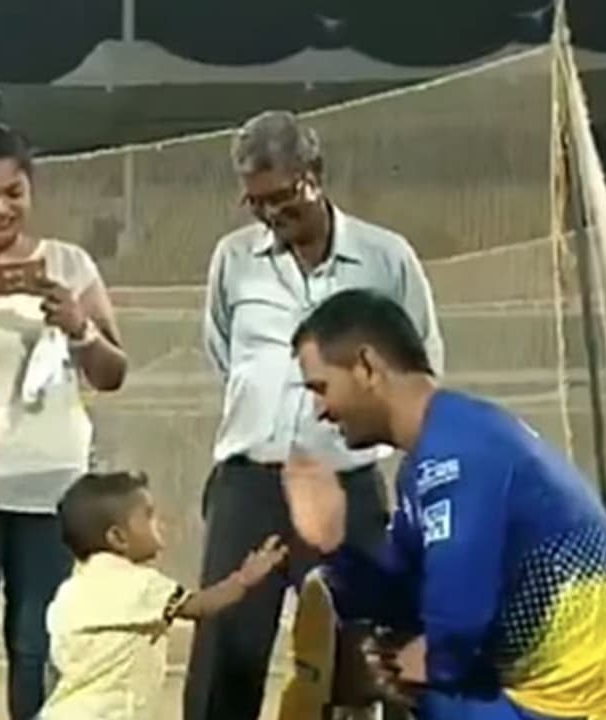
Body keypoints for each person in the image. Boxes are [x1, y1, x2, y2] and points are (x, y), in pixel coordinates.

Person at [282, 288, 606, 720]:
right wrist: (332, 544)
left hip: (594, 709)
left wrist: (399, 667)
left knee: (412, 686)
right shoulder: (435, 455)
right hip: (557, 699)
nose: (319, 410)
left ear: (367, 367)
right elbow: (402, 599)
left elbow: (455, 625)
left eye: (321, 387)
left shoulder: (457, 454)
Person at [187, 109, 445, 720]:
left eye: (283, 198)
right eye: (256, 202)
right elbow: (224, 353)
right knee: (228, 653)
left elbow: (421, 365)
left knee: (360, 658)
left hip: (347, 485)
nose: (271, 215)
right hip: (250, 485)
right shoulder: (234, 259)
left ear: (316, 174)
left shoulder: (386, 258)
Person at [0, 120, 128, 719]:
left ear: (31, 191)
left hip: (50, 486)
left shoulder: (69, 263)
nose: (1, 208)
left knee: (39, 648)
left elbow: (112, 372)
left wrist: (80, 328)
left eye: (14, 192)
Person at [40, 471, 289, 719]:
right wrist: (244, 578)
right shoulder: (143, 586)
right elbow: (200, 606)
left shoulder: (70, 590)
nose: (160, 523)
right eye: (148, 515)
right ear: (118, 537)